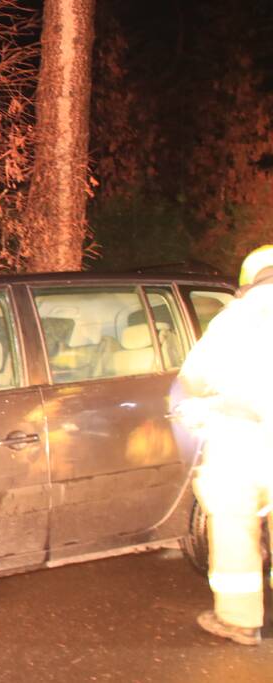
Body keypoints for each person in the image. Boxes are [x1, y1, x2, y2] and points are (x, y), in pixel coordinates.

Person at [176, 244, 273, 646]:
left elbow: (194, 377)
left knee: (235, 526)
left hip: (242, 441)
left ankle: (239, 620)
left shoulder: (236, 319)